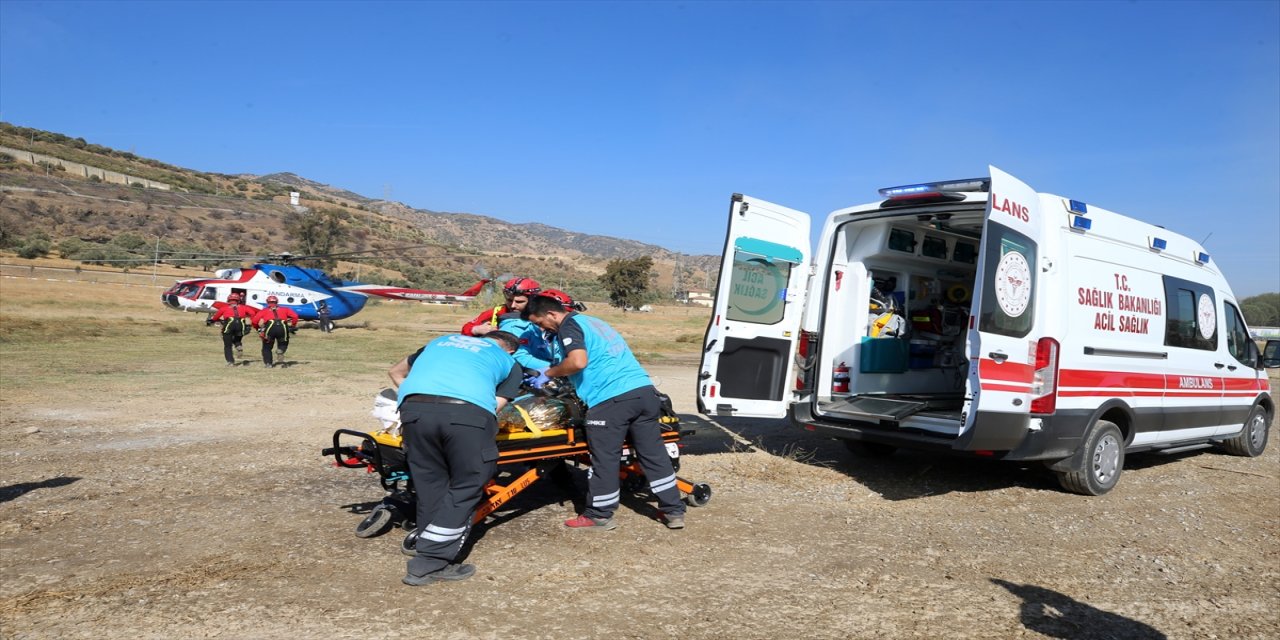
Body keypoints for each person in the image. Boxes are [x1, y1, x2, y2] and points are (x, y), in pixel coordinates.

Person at [523, 295, 686, 531]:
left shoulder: (569, 326)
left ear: (551, 314)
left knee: (605, 459)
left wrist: (548, 373)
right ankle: (674, 511)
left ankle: (599, 514)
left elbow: (578, 362)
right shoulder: (594, 322)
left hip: (611, 399)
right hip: (644, 392)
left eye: (540, 323)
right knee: (654, 455)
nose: (542, 328)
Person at [387, 330, 523, 586]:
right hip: (466, 414)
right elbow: (494, 406)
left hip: (414, 410)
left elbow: (395, 372)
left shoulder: (440, 342)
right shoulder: (508, 361)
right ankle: (430, 562)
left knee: (430, 483)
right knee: (469, 482)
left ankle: (427, 544)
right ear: (511, 349)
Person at [461, 277, 541, 336]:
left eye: (519, 302)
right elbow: (466, 328)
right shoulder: (497, 311)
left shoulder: (542, 315)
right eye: (509, 300)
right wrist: (476, 330)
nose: (513, 306)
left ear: (532, 301)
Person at [251, 295, 299, 368]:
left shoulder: (264, 311)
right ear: (277, 302)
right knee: (283, 342)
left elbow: (254, 321)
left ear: (267, 302)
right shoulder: (285, 309)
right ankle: (281, 350)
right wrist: (293, 325)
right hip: (282, 328)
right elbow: (295, 316)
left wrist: (257, 328)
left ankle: (268, 363)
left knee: (267, 347)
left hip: (270, 328)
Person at [207, 293, 254, 366]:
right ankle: (238, 345)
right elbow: (252, 313)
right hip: (241, 325)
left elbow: (216, 317)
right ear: (238, 300)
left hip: (229, 324)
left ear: (229, 300)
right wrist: (249, 323)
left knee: (228, 345)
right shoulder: (244, 307)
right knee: (237, 339)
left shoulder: (224, 308)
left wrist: (212, 320)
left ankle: (230, 361)